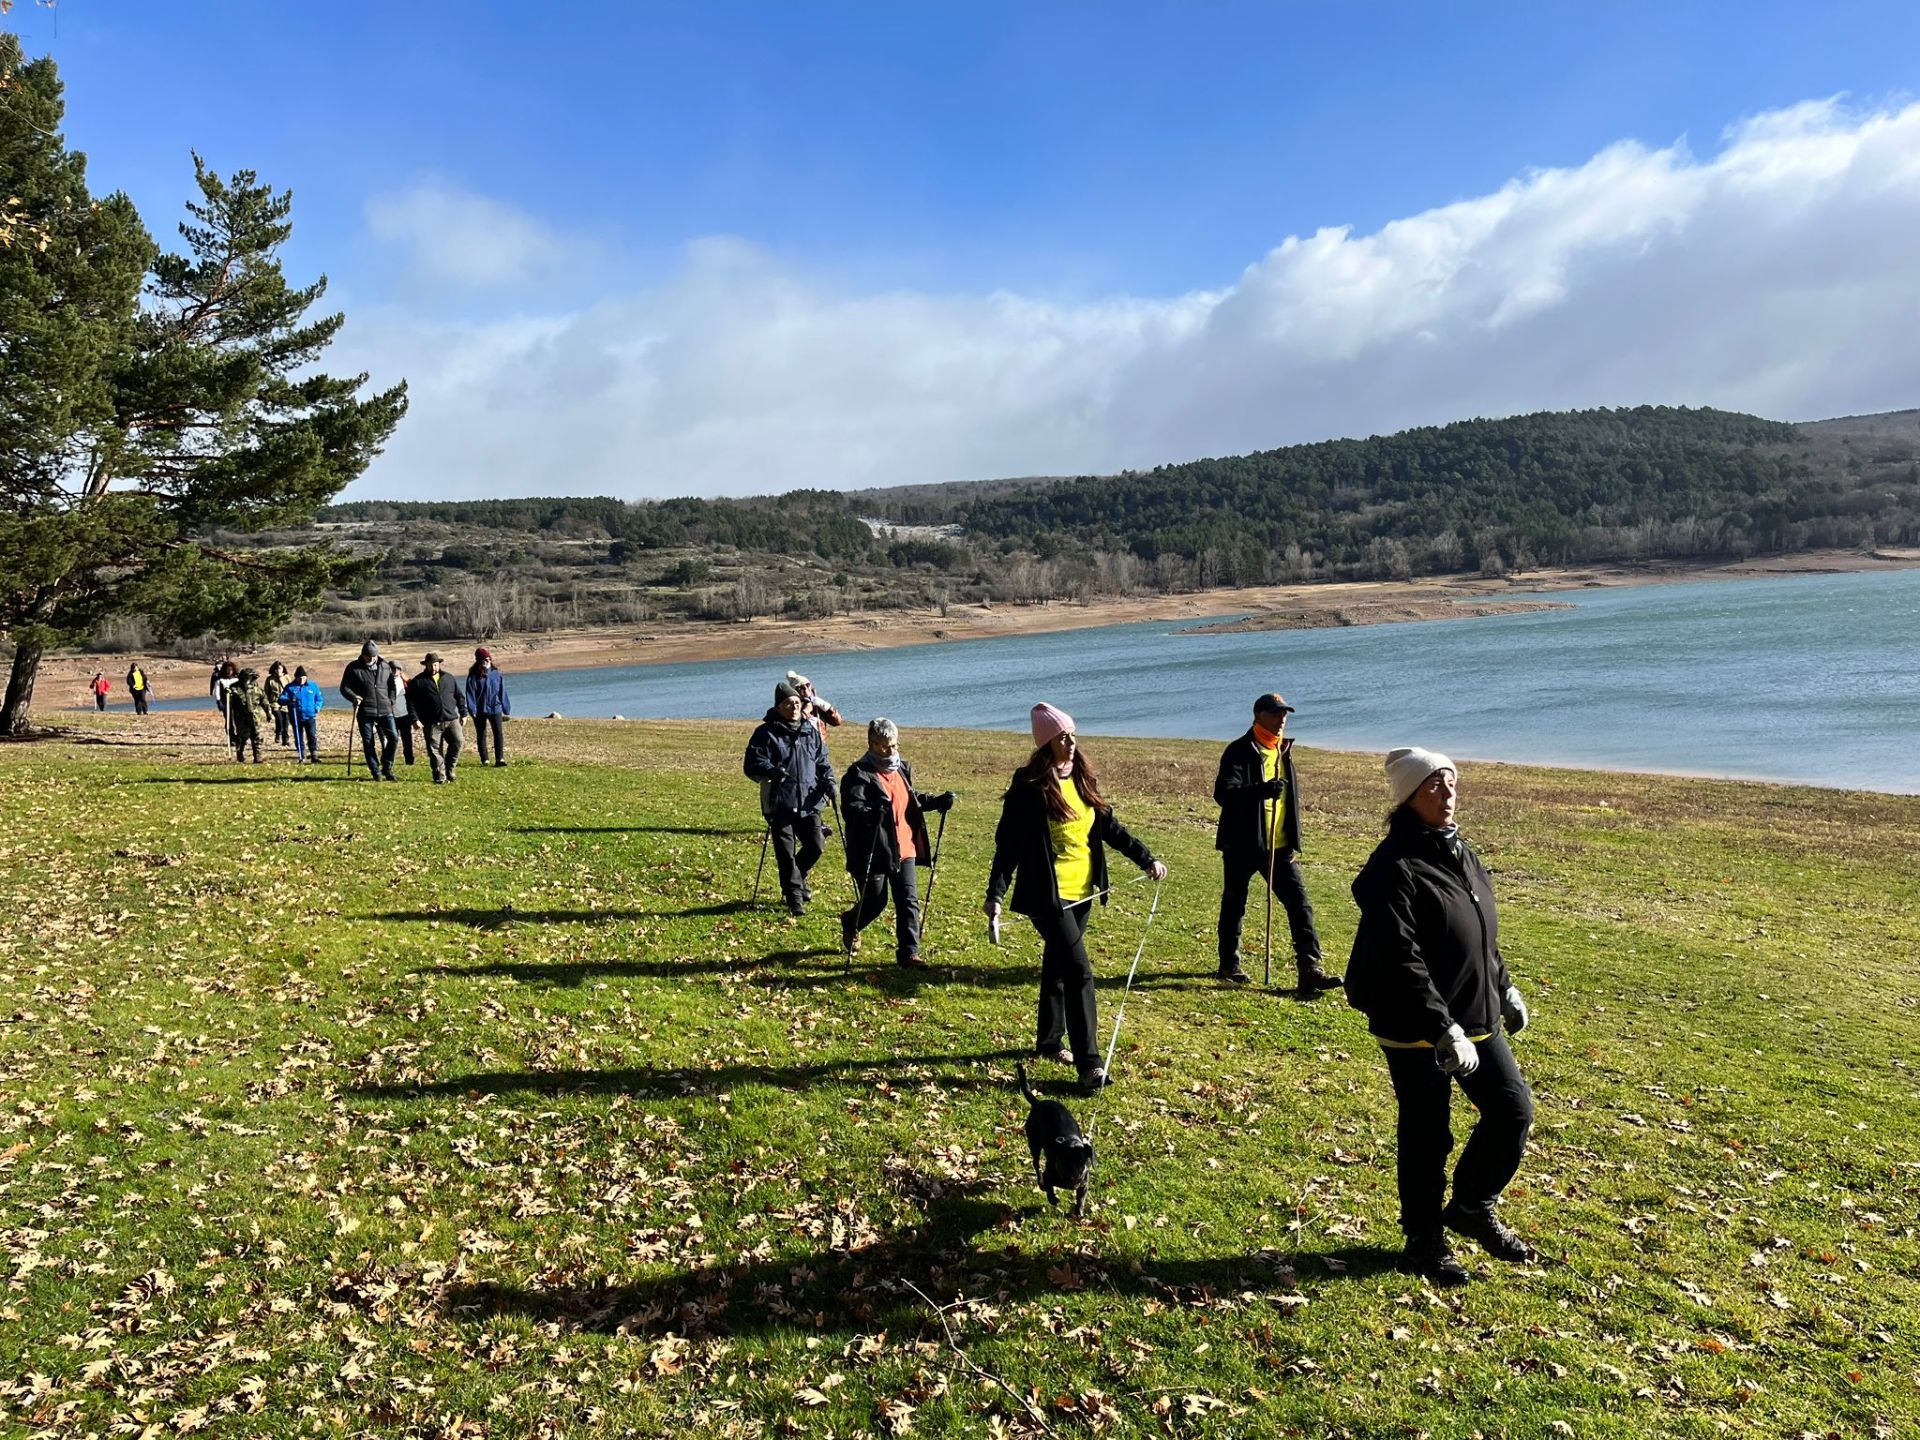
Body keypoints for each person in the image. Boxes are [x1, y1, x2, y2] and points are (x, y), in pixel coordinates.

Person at [1345, 748, 1536, 1287]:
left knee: (1512, 1111)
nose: (1447, 793)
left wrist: (1503, 986)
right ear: (1409, 797)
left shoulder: (1461, 852)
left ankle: (1472, 1205)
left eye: (1450, 782)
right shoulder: (1394, 866)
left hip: (1474, 1013)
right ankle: (1423, 1238)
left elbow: (1479, 932)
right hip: (1414, 1025)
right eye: (1433, 786)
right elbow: (1401, 957)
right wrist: (1442, 1028)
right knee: (1428, 1134)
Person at [985, 704, 1168, 1095]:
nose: (1070, 743)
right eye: (1061, 738)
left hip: (1083, 891)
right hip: (1047, 897)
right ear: (1046, 743)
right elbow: (1008, 846)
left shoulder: (1082, 778)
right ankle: (1090, 1066)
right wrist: (995, 894)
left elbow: (1109, 827)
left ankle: (1049, 1041)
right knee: (1080, 971)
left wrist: (1147, 858)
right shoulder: (1029, 787)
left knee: (1057, 964)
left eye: (1072, 735)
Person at [1212, 692, 1341, 991]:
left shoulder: (1284, 751)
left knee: (1299, 905)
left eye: (1285, 714)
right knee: (1235, 904)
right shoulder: (1239, 750)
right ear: (1259, 715)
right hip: (1242, 844)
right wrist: (1261, 790)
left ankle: (1310, 970)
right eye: (1275, 713)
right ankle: (1229, 965)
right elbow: (1224, 794)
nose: (1282, 719)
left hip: (1279, 846)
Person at [839, 718, 955, 970]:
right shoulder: (859, 773)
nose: (892, 751)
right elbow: (851, 808)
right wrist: (872, 813)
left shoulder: (901, 768)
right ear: (872, 744)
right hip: (877, 848)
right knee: (876, 902)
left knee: (908, 900)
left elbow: (909, 799)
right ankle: (851, 922)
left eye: (895, 745)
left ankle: (909, 954)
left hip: (905, 846)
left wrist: (936, 802)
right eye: (885, 746)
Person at [743, 680, 837, 917]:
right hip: (780, 802)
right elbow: (752, 764)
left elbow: (822, 762)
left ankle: (798, 876)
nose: (794, 707)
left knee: (816, 845)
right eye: (789, 703)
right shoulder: (765, 733)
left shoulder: (810, 730)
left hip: (809, 801)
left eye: (796, 702)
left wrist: (830, 782)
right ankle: (795, 898)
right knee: (785, 853)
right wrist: (771, 770)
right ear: (778, 707)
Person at [340, 640, 401, 781]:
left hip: (385, 708)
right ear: (363, 654)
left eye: (374, 656)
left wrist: (391, 700)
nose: (372, 659)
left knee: (393, 737)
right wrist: (353, 697)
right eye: (368, 656)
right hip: (365, 710)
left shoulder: (385, 666)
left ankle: (387, 767)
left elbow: (392, 686)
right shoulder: (353, 668)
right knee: (368, 742)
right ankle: (375, 771)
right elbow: (344, 688)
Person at [407, 652, 469, 783]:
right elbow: (411, 702)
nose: (433, 667)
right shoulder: (418, 681)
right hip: (431, 722)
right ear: (426, 665)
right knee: (434, 750)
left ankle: (450, 769)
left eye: (435, 664)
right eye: (430, 665)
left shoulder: (449, 678)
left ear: (439, 664)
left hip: (451, 719)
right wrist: (415, 719)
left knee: (458, 742)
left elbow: (459, 696)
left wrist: (463, 713)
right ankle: (439, 775)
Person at [465, 647, 512, 766]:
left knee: (498, 733)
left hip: (495, 708)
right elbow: (470, 693)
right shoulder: (473, 676)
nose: (486, 661)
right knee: (481, 734)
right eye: (483, 659)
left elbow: (502, 691)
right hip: (480, 709)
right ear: (478, 661)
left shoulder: (496, 674)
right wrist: (472, 709)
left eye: (488, 659)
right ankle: (485, 759)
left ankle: (500, 759)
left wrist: (506, 707)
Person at [226, 668, 271, 763]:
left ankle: (258, 757)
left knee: (257, 736)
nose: (249, 679)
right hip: (241, 717)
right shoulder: (234, 688)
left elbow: (264, 701)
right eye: (247, 677)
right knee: (242, 738)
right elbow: (228, 703)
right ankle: (240, 754)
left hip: (255, 717)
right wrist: (227, 694)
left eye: (251, 677)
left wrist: (268, 712)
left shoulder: (257, 688)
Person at [282, 665, 325, 763]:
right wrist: (289, 700)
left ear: (306, 677)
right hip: (296, 716)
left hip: (310, 716)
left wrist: (317, 707)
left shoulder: (312, 686)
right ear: (296, 677)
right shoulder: (290, 687)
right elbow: (281, 699)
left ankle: (314, 754)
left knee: (312, 735)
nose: (301, 680)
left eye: (303, 678)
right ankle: (302, 755)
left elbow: (319, 698)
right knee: (298, 736)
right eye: (299, 678)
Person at [389, 657, 416, 767]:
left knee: (407, 739)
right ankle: (389, 760)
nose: (395, 671)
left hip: (405, 715)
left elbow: (415, 690)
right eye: (393, 669)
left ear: (400, 670)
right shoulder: (385, 682)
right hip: (392, 715)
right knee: (392, 739)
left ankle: (409, 760)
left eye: (397, 669)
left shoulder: (406, 682)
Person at [263, 663, 290, 746]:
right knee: (279, 718)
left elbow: (291, 689)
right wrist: (267, 703)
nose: (278, 670)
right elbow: (266, 691)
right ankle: (278, 733)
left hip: (285, 701)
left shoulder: (287, 678)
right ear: (274, 670)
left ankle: (285, 739)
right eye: (277, 669)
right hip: (275, 702)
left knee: (286, 721)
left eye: (280, 668)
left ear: (283, 669)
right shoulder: (270, 679)